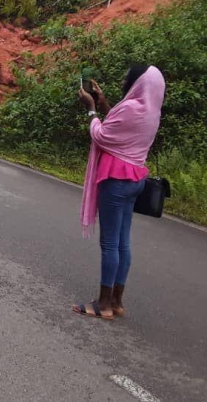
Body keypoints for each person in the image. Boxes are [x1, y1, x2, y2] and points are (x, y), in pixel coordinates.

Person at [73, 65, 166, 320]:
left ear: (139, 83)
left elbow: (102, 135)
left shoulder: (130, 108)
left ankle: (102, 304)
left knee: (109, 243)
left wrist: (91, 109)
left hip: (115, 179)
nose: (126, 80)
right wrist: (104, 106)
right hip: (135, 179)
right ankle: (116, 300)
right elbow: (119, 126)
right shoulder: (150, 111)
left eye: (129, 78)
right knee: (123, 242)